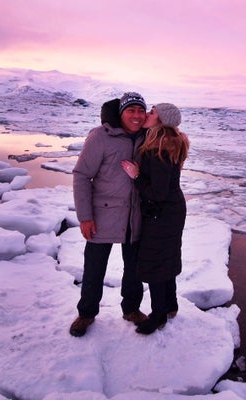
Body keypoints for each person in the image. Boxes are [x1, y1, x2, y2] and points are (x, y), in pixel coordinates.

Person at [69, 92, 149, 337]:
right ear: (121, 112)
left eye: (140, 111)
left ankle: (131, 309)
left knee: (134, 267)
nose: (136, 116)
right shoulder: (101, 137)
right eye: (130, 110)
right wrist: (85, 216)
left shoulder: (149, 137)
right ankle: (86, 313)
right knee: (94, 267)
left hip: (135, 215)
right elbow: (82, 175)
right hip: (102, 215)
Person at [121, 103, 189, 335]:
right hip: (173, 210)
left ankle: (158, 315)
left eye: (152, 113)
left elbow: (157, 193)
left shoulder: (158, 147)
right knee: (167, 257)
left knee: (156, 262)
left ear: (161, 121)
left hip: (161, 212)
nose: (147, 116)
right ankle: (170, 305)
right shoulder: (171, 141)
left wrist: (137, 176)